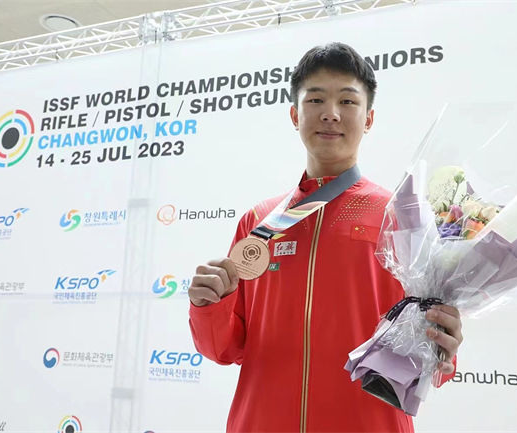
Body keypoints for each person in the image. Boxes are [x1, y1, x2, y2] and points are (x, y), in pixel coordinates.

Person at [188, 42, 463, 433]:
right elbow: (225, 348)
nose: (331, 113)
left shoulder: (403, 216)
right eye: (315, 99)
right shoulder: (259, 221)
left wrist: (442, 347)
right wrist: (208, 306)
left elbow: (430, 365)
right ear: (294, 114)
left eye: (347, 102)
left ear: (368, 119)